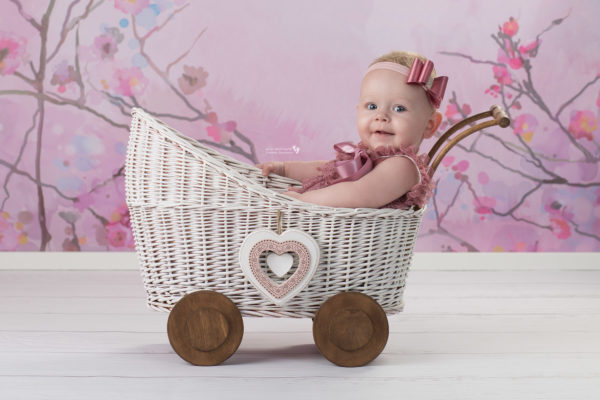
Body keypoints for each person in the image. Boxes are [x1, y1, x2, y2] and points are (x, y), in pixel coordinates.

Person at [256, 51, 447, 209]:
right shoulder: (363, 157)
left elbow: (359, 193)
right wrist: (284, 169)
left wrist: (300, 200)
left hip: (359, 242)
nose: (381, 116)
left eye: (399, 108)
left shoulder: (402, 166)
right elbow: (327, 170)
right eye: (372, 106)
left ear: (429, 125)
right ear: (358, 111)